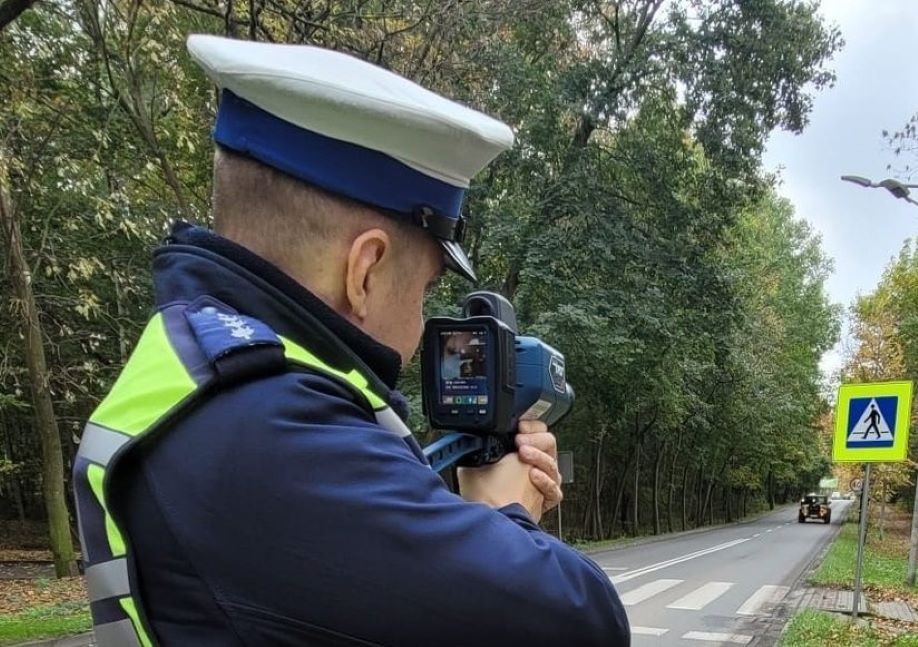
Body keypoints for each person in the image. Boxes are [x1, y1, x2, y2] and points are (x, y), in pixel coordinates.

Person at [71, 35, 629, 647]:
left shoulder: (196, 366)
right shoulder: (274, 431)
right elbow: (581, 620)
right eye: (423, 290)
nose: (420, 328)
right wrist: (507, 515)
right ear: (365, 270)